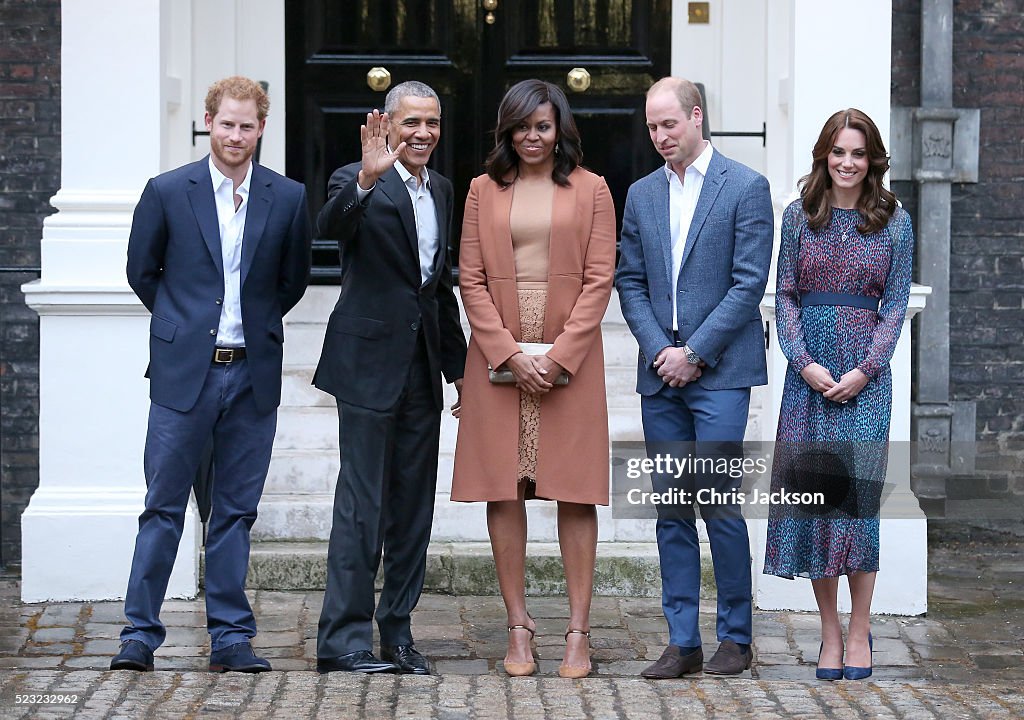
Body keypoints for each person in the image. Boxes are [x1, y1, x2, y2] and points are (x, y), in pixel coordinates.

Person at [112, 76, 311, 673]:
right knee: (163, 506)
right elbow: (141, 271)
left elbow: (292, 280)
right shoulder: (170, 191)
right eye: (226, 123)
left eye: (247, 125)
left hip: (252, 376)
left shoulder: (289, 197)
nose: (236, 135)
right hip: (183, 375)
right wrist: (184, 328)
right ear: (208, 121)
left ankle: (230, 636)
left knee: (234, 511)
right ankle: (139, 635)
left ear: (261, 129)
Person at [451, 79, 615, 679]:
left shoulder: (593, 189)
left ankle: (578, 631)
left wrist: (561, 355)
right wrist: (508, 353)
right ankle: (518, 627)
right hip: (500, 351)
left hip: (572, 352)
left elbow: (601, 279)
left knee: (573, 488)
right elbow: (469, 277)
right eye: (521, 126)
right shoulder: (480, 190)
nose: (532, 136)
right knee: (505, 486)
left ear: (559, 128)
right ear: (507, 130)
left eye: (542, 126)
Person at [615, 77, 774, 678]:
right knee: (671, 512)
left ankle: (736, 636)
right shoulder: (640, 195)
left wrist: (696, 353)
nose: (660, 137)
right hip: (661, 376)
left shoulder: (745, 187)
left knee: (719, 506)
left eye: (669, 125)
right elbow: (629, 281)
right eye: (652, 128)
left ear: (696, 117)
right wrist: (661, 349)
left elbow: (747, 282)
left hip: (721, 375)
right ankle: (682, 640)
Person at [313, 81, 467, 675]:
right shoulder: (354, 179)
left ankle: (396, 634)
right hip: (367, 369)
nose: (423, 134)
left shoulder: (444, 191)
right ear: (386, 125)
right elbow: (329, 228)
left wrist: (460, 372)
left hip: (422, 372)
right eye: (411, 123)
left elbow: (437, 286)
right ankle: (342, 641)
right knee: (362, 506)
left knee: (412, 510)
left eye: (432, 123)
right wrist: (367, 179)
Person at [763, 109, 913, 682]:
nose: (847, 163)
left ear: (872, 158)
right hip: (809, 384)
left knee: (855, 509)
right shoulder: (799, 217)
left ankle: (859, 629)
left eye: (857, 153)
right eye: (837, 152)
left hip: (865, 385)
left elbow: (896, 304)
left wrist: (867, 369)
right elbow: (788, 297)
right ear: (824, 156)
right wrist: (802, 364)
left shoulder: (894, 221)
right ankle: (828, 630)